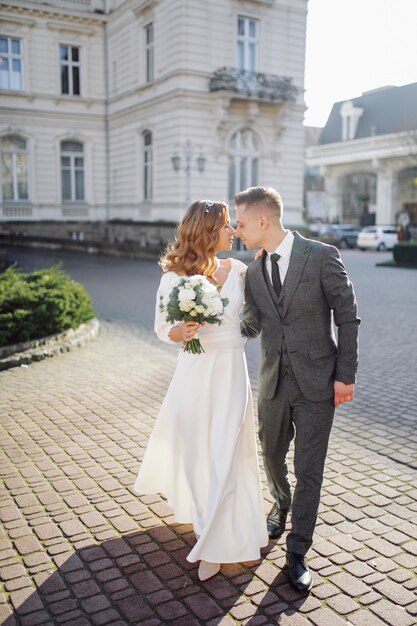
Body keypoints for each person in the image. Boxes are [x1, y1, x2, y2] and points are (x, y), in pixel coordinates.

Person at [134, 199, 268, 581]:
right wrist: (180, 333)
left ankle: (221, 538)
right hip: (194, 373)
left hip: (231, 370)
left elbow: (256, 318)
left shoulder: (240, 270)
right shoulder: (174, 277)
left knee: (228, 450)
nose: (233, 232)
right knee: (198, 453)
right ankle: (206, 527)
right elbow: (162, 328)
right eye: (227, 226)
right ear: (208, 231)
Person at [235, 186, 360, 592]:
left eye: (240, 223)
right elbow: (252, 325)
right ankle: (280, 502)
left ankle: (297, 553)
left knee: (310, 471)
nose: (237, 231)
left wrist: (346, 374)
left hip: (317, 383)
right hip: (273, 381)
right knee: (270, 455)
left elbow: (348, 317)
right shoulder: (253, 271)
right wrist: (214, 326)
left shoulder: (322, 257)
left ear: (262, 221)